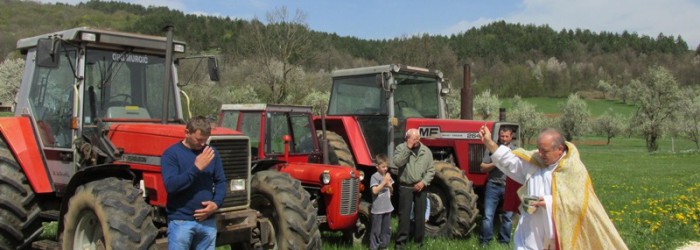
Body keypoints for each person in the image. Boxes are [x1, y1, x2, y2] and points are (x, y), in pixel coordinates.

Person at [479, 127, 627, 250]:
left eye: (545, 151)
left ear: (559, 149)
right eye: (539, 149)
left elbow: (580, 203)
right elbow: (509, 162)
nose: (540, 154)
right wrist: (489, 142)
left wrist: (549, 202)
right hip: (531, 233)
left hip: (558, 235)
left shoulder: (573, 169)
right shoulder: (536, 161)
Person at [161, 116, 227, 250]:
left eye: (205, 140)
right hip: (181, 222)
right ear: (187, 133)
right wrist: (196, 168)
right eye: (198, 139)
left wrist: (216, 203)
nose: (202, 144)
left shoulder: (211, 153)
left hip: (207, 222)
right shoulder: (172, 154)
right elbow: (171, 186)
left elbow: (221, 182)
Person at [394, 128, 435, 249]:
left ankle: (419, 243)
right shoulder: (401, 148)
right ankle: (400, 244)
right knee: (404, 216)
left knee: (420, 216)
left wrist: (423, 182)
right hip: (405, 186)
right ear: (407, 138)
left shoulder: (426, 151)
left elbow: (431, 170)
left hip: (421, 187)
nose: (416, 140)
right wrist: (408, 148)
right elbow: (398, 162)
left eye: (418, 138)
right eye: (414, 138)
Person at [480, 127, 516, 246]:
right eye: (502, 136)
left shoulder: (516, 151)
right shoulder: (491, 149)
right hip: (493, 185)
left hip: (509, 187)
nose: (504, 139)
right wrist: (495, 162)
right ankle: (485, 241)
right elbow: (482, 167)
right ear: (499, 136)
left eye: (507, 136)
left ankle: (504, 242)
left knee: (508, 217)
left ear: (511, 137)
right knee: (488, 216)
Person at [370, 154, 394, 250]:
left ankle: (384, 246)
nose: (385, 169)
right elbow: (374, 191)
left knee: (386, 230)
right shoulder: (374, 177)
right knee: (376, 230)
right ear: (377, 166)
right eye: (383, 166)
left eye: (386, 166)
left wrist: (389, 185)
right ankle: (374, 247)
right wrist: (384, 182)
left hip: (387, 208)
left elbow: (392, 192)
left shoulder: (387, 177)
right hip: (378, 209)